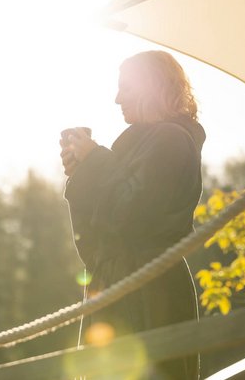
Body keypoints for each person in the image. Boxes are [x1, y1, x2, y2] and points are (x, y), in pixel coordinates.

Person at [60, 50, 204, 379]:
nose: (116, 98)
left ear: (151, 87)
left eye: (125, 88)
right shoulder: (133, 148)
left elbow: (134, 215)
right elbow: (92, 248)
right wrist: (80, 177)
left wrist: (96, 161)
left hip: (150, 296)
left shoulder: (171, 140)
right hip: (115, 291)